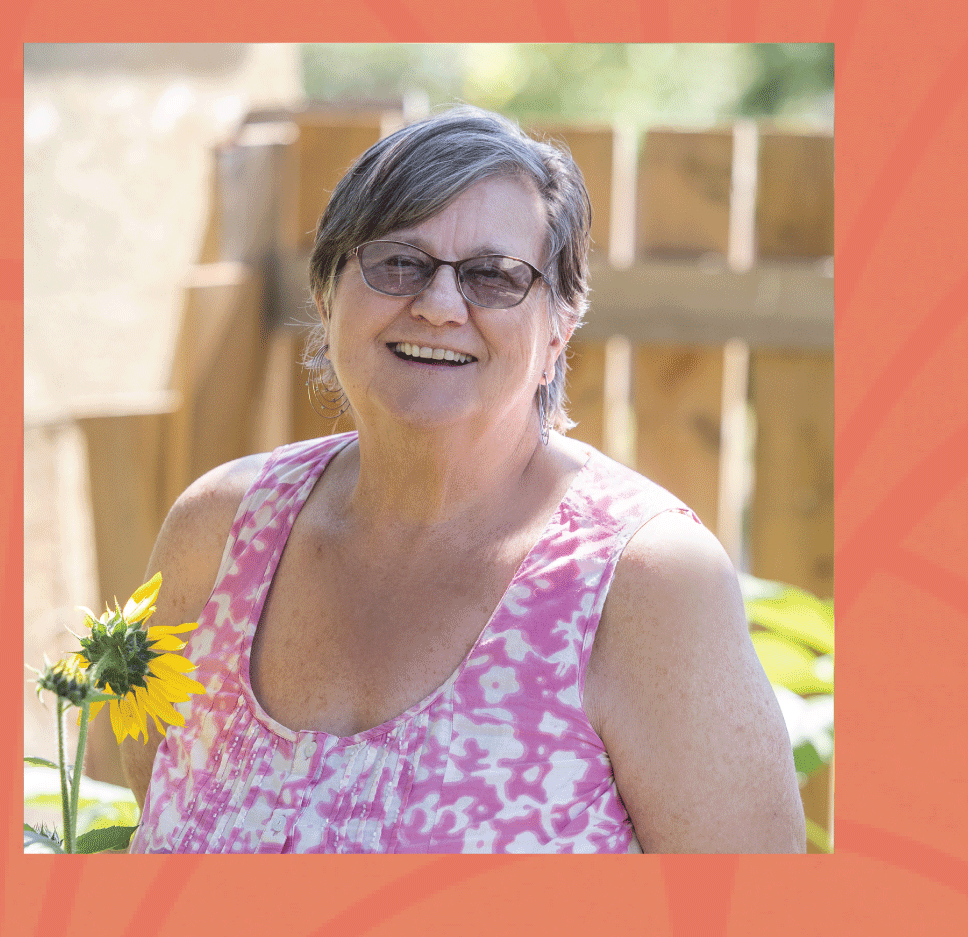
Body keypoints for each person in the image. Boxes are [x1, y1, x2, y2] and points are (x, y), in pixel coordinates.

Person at [124, 106, 805, 854]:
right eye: (397, 263)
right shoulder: (217, 536)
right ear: (326, 295)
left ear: (558, 330)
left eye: (494, 276)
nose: (440, 305)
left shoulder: (645, 582)